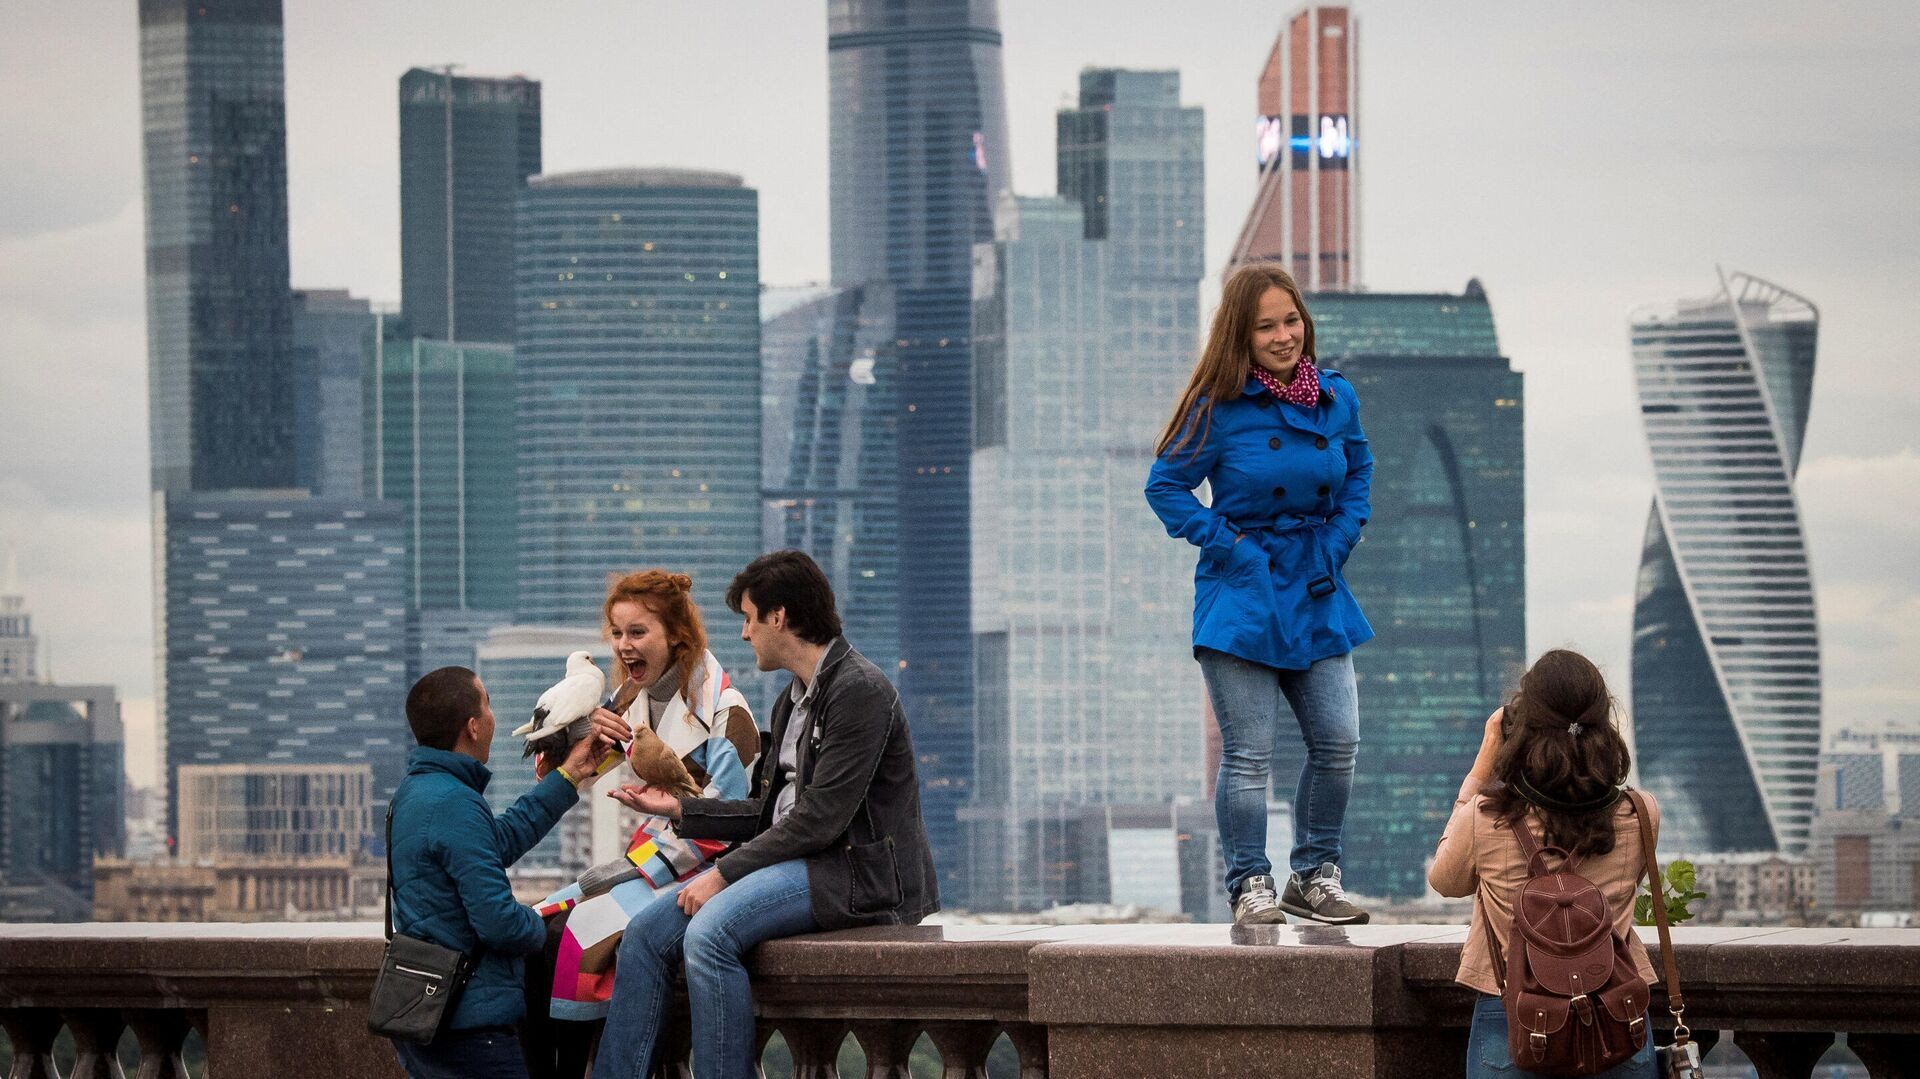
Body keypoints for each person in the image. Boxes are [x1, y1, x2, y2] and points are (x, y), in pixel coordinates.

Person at [591, 550, 937, 1079]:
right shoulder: (792, 700)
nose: (746, 635)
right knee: (644, 936)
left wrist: (722, 875)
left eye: (750, 619)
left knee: (707, 937)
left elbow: (820, 821)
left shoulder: (859, 692)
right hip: (802, 862)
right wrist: (686, 809)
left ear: (779, 616)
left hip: (853, 875)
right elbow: (769, 813)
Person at [1144, 261, 1375, 926]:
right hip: (1243, 594)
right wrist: (1230, 546)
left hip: (1316, 583)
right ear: (1240, 336)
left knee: (1338, 740)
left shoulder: (1337, 399)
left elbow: (1358, 468)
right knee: (1249, 753)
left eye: (1291, 320)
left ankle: (1315, 874)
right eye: (1266, 325)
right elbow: (1164, 485)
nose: (1283, 335)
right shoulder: (1216, 406)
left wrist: (1338, 540)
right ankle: (1251, 884)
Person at [520, 570, 759, 1077]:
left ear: (676, 635)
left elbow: (729, 823)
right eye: (618, 633)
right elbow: (570, 772)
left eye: (638, 632)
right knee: (535, 930)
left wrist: (629, 870)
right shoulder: (630, 696)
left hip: (706, 867)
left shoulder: (725, 711)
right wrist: (578, 734)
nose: (624, 646)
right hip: (656, 858)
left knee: (573, 933)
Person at [386, 665, 629, 1079]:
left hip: (425, 1013)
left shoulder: (416, 792)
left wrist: (568, 776)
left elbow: (498, 842)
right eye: (488, 704)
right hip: (470, 1027)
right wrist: (546, 929)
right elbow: (499, 923)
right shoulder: (454, 804)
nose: (494, 715)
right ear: (473, 727)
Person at [1428, 649, 1660, 1079]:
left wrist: (1483, 766)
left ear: (1523, 728)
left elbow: (1445, 879)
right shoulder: (1641, 813)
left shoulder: (1486, 817)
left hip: (1513, 1017)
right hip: (1617, 1016)